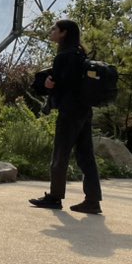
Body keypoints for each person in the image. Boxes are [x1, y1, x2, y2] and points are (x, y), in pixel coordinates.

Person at [29, 19, 103, 214]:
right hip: (84, 110)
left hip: (69, 112)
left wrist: (49, 86)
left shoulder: (64, 56)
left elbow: (64, 84)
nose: (51, 31)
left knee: (60, 154)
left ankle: (55, 197)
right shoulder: (80, 53)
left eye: (54, 28)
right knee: (86, 155)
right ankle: (93, 200)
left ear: (64, 33)